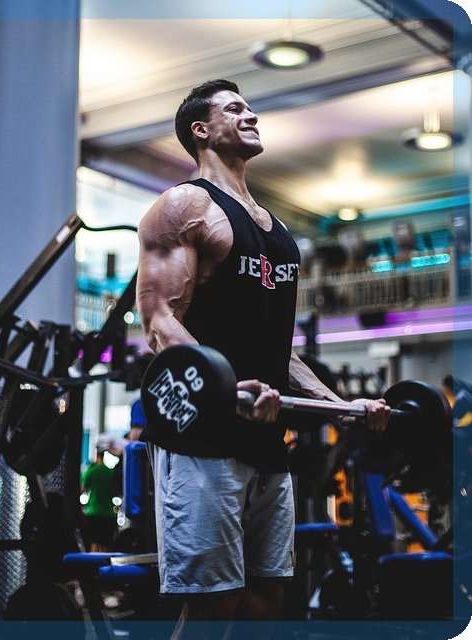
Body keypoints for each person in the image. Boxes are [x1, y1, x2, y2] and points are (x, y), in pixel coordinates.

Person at [135, 79, 390, 636]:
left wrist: (340, 406)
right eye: (235, 109)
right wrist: (225, 389)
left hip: (267, 437)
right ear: (201, 130)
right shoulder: (184, 207)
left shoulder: (275, 231)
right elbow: (158, 320)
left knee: (265, 599)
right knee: (213, 606)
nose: (251, 115)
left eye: (251, 107)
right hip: (202, 438)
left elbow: (279, 350)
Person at [81, 440, 125, 552]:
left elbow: (82, 490)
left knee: (93, 545)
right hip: (108, 515)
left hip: (94, 513)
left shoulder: (91, 471)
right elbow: (116, 491)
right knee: (107, 546)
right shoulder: (110, 472)